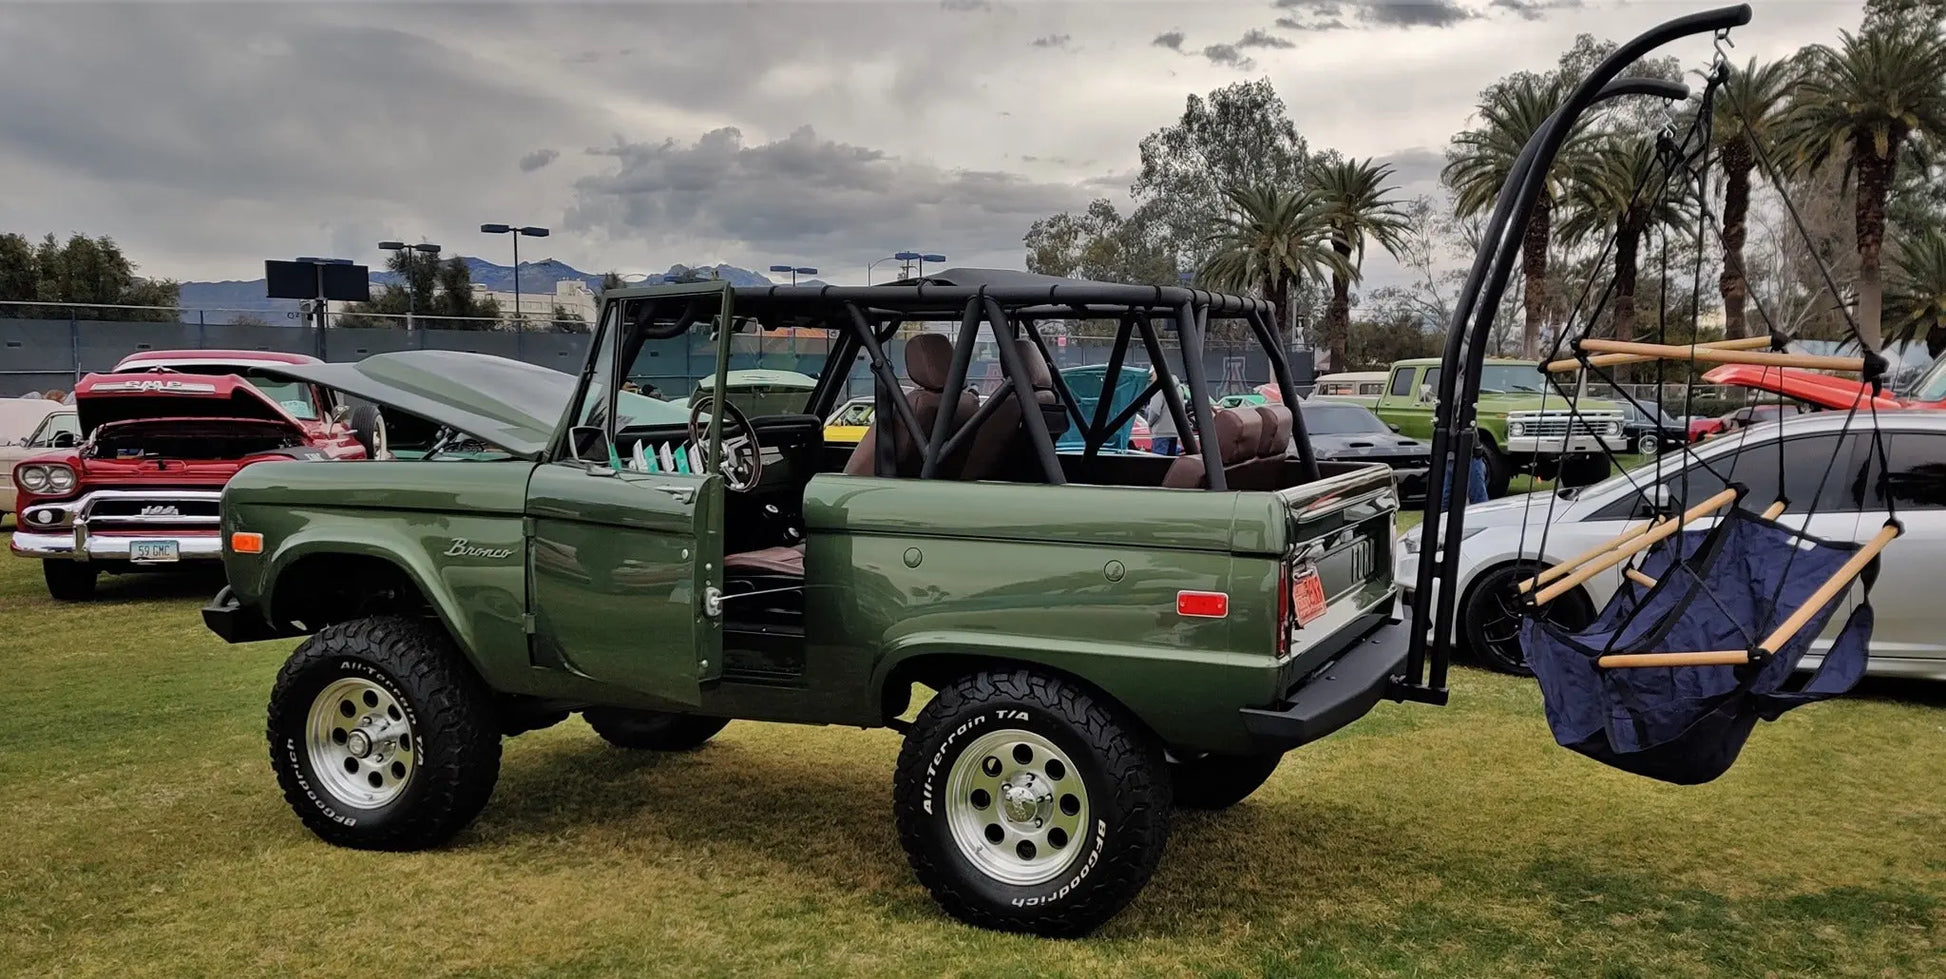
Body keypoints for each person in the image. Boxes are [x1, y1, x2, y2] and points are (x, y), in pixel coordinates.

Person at [1146, 367, 1179, 456]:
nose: (1151, 379)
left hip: (1160, 432)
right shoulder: (1179, 389)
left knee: (1158, 464)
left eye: (1152, 375)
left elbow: (1154, 410)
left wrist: (1149, 423)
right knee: (1170, 463)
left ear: (1157, 373)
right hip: (1174, 432)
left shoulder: (1158, 388)